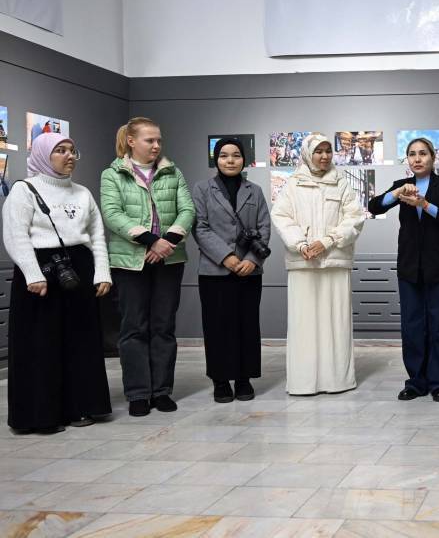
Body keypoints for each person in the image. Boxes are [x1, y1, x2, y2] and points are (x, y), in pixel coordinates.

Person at [3, 133, 112, 433]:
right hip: (42, 272)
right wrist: (32, 273)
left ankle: (80, 407)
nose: (69, 156)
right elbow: (16, 234)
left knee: (81, 341)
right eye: (61, 151)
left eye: (72, 150)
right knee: (41, 344)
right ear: (42, 155)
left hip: (80, 269)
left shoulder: (82, 193)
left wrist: (102, 272)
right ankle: (42, 415)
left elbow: (97, 235)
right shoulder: (24, 190)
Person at [101, 117, 195, 418]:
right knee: (133, 328)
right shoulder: (112, 174)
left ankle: (161, 391)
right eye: (149, 140)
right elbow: (112, 214)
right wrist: (151, 241)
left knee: (163, 326)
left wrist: (167, 242)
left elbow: (187, 210)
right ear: (131, 141)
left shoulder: (173, 172)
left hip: (169, 259)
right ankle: (138, 393)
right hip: (130, 263)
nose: (156, 145)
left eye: (159, 140)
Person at [271, 133, 366, 395]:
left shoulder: (341, 182)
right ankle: (303, 382)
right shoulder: (293, 184)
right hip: (303, 263)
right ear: (307, 154)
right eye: (318, 151)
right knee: (304, 324)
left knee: (336, 323)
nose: (324, 156)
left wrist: (327, 241)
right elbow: (281, 217)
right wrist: (301, 244)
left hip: (335, 261)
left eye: (328, 151)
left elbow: (355, 218)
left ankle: (337, 380)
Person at [368, 137, 439, 401]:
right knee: (412, 327)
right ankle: (416, 381)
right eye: (412, 154)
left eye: (422, 153)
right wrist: (397, 193)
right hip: (410, 267)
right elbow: (374, 206)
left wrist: (424, 205)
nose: (417, 159)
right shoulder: (402, 185)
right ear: (407, 159)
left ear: (433, 157)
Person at [192, 138, 272, 403]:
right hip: (214, 270)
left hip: (249, 271)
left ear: (244, 160)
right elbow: (200, 227)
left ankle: (244, 378)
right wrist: (225, 257)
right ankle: (220, 380)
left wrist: (252, 260)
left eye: (236, 155)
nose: (230, 160)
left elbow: (264, 227)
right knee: (217, 326)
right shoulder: (202, 189)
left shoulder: (255, 191)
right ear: (216, 160)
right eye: (224, 155)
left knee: (247, 324)